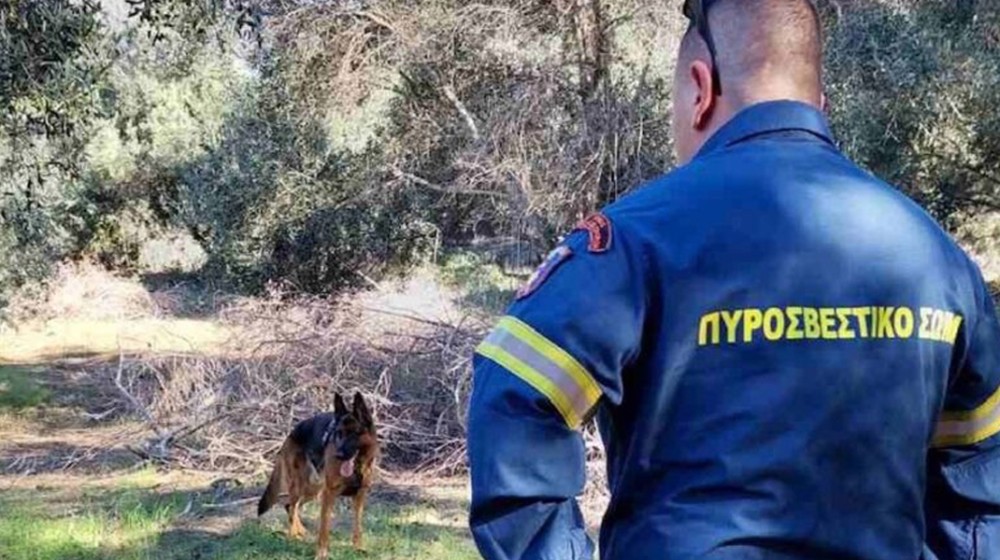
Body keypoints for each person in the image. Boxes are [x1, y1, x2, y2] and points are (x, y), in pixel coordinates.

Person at [466, 0, 1000, 558]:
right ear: (821, 104)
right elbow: (979, 478)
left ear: (700, 89)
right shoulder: (940, 258)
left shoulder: (635, 240)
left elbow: (515, 395)